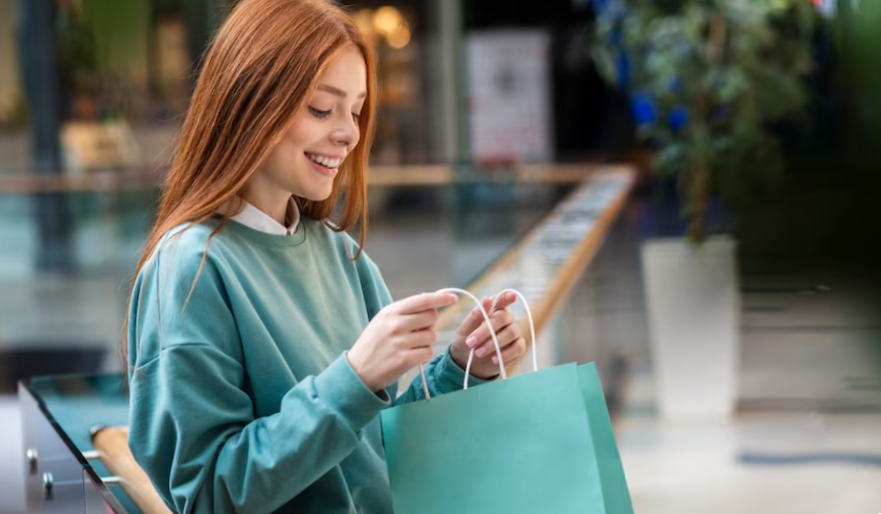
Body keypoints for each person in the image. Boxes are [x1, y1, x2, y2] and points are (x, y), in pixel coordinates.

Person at [123, 1, 526, 512]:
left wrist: (462, 368)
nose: (349, 133)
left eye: (355, 110)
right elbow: (207, 495)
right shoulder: (190, 268)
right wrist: (353, 379)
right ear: (251, 102)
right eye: (322, 108)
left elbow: (373, 452)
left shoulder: (343, 256)